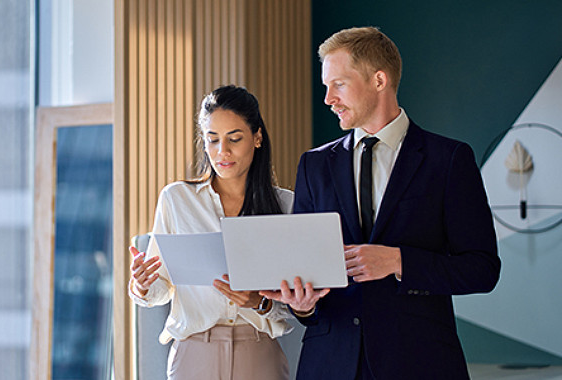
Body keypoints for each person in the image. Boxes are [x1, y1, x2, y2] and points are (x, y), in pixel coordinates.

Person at [261, 27, 501, 380]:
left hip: (421, 363)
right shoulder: (314, 164)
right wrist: (304, 305)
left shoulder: (448, 160)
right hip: (330, 364)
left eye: (338, 85)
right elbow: (306, 275)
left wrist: (398, 261)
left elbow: (483, 269)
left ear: (379, 80)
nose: (328, 98)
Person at [128, 85, 294, 380]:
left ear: (257, 138)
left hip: (258, 354)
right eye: (212, 139)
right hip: (194, 354)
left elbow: (296, 300)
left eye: (234, 138)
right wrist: (141, 284)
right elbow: (160, 289)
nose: (223, 152)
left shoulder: (286, 205)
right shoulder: (177, 200)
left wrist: (258, 301)